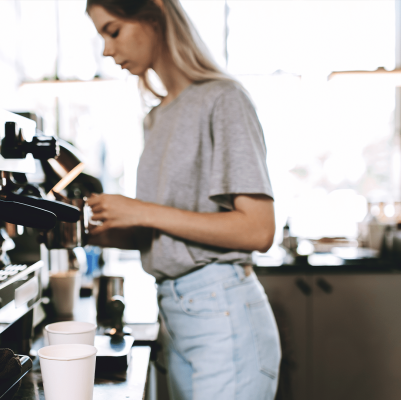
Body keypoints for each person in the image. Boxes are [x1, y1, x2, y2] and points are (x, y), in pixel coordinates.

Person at [85, 0, 281, 399]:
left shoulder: (222, 98)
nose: (107, 49)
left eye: (113, 30)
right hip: (175, 315)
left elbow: (258, 229)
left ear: (154, 15)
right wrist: (90, 232)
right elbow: (166, 232)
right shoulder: (158, 116)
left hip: (222, 312)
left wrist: (139, 210)